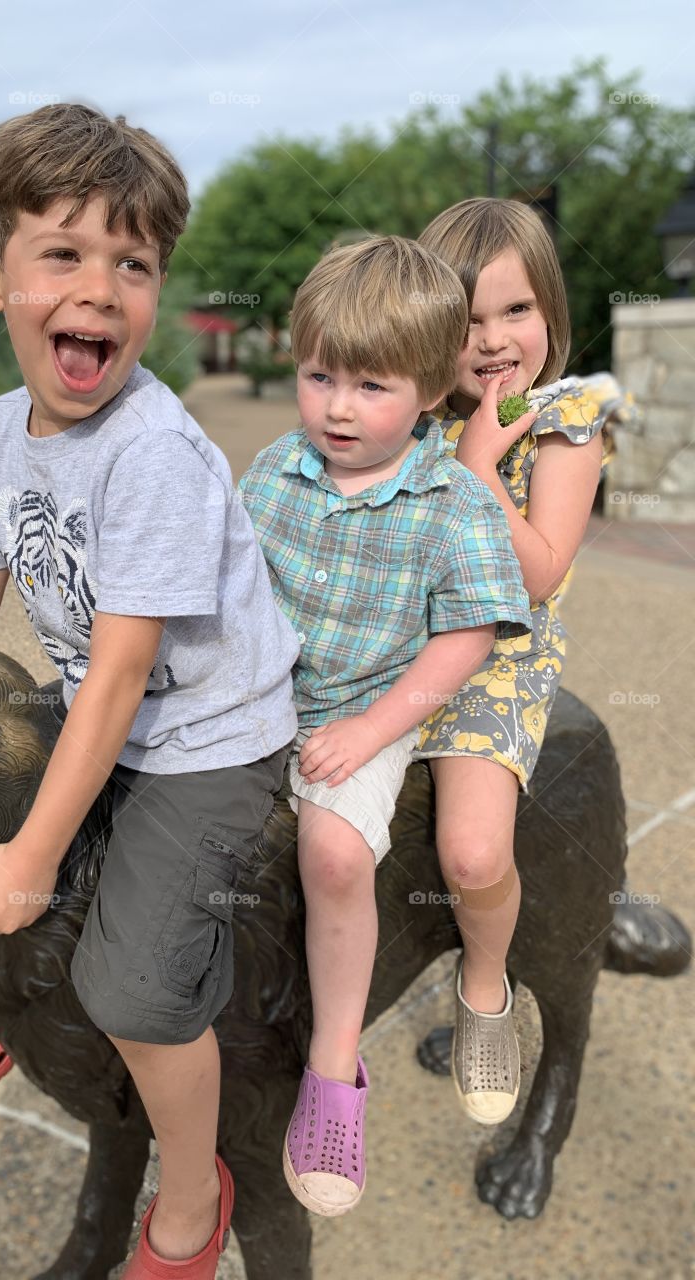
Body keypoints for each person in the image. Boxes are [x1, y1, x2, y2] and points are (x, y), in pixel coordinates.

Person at [0, 102, 298, 1278]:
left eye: (132, 262)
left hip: (206, 734)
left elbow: (127, 671)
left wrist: (33, 853)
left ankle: (193, 1192)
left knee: (133, 984)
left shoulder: (154, 452)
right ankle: (20, 994)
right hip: (103, 706)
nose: (101, 286)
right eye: (63, 253)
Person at [237, 236, 533, 1217]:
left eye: (369, 384)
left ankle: (331, 1070)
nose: (335, 405)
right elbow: (232, 587)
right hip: (257, 701)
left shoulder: (451, 504)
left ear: (429, 390)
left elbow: (466, 639)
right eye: (319, 375)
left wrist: (370, 729)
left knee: (330, 849)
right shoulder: (277, 469)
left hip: (365, 705)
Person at [411, 198, 612, 1124]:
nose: (493, 341)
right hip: (396, 651)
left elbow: (535, 576)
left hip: (499, 660)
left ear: (551, 315)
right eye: (467, 321)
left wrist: (481, 464)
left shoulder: (567, 421)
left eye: (516, 311)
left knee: (472, 845)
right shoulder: (410, 418)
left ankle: (485, 988)